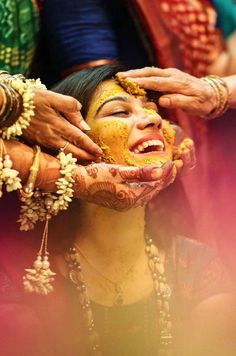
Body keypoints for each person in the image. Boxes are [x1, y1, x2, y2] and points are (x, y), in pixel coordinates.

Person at [0, 64, 235, 356]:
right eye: (119, 112)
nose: (152, 119)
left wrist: (222, 91)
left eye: (152, 109)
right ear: (63, 142)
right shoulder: (20, 278)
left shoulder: (198, 269)